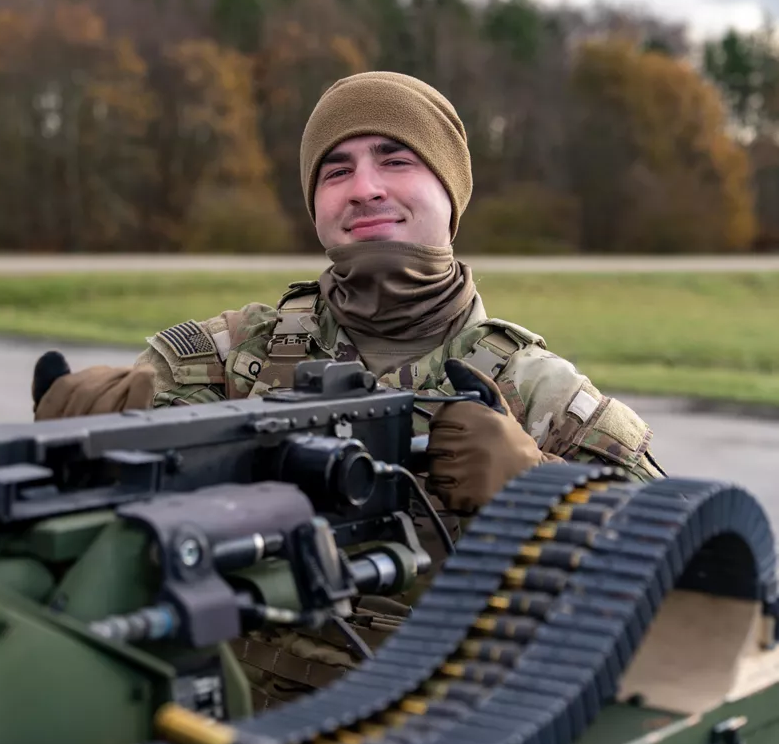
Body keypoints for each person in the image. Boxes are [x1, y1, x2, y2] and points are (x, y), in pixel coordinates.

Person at [35, 71, 662, 705]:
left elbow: (690, 569)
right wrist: (86, 436)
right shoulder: (230, 358)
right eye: (335, 172)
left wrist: (541, 487)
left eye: (395, 160)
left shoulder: (538, 393)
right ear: (316, 207)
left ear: (450, 190)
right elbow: (80, 531)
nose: (364, 189)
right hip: (240, 733)